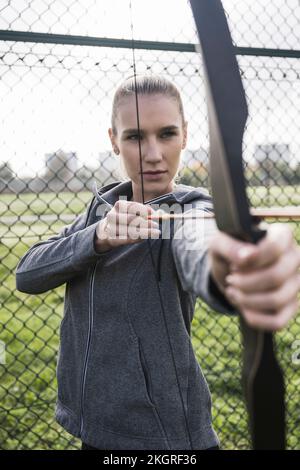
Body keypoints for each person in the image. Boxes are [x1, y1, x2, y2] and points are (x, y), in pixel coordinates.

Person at [16, 75, 300, 450]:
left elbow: (199, 243)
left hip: (165, 437)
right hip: (95, 425)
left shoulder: (187, 212)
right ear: (113, 141)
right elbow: (27, 273)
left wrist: (231, 266)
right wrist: (98, 237)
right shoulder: (100, 212)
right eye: (135, 136)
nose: (153, 154)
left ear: (184, 135)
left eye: (166, 134)